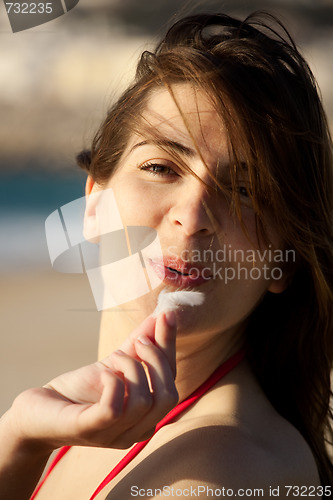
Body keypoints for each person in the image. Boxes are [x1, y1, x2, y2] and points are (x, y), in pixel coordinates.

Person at [0, 10, 333, 499]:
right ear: (93, 204)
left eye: (245, 190)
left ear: (285, 259)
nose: (194, 214)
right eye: (161, 167)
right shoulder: (78, 426)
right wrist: (19, 437)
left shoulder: (219, 470)